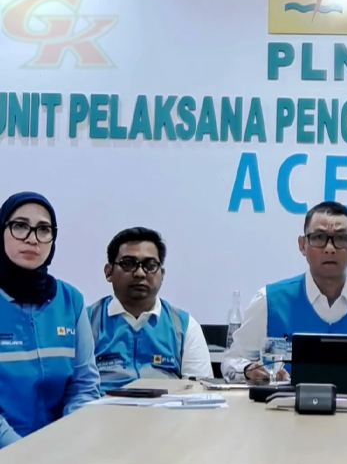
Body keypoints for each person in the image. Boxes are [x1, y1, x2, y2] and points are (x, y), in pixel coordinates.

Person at [222, 201, 347, 385]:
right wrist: (248, 370)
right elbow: (231, 361)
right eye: (318, 238)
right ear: (302, 245)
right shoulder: (269, 301)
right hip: (285, 409)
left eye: (341, 238)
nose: (330, 248)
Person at [0, 192, 101, 449]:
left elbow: (84, 386)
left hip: (62, 451)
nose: (32, 238)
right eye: (20, 226)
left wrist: (67, 440)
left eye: (44, 229)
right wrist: (24, 452)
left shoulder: (70, 300)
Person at [87, 227, 212, 393]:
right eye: (128, 264)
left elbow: (200, 391)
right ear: (108, 272)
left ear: (162, 274)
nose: (140, 273)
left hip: (166, 408)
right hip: (101, 408)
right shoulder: (86, 322)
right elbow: (75, 387)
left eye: (150, 265)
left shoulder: (184, 326)